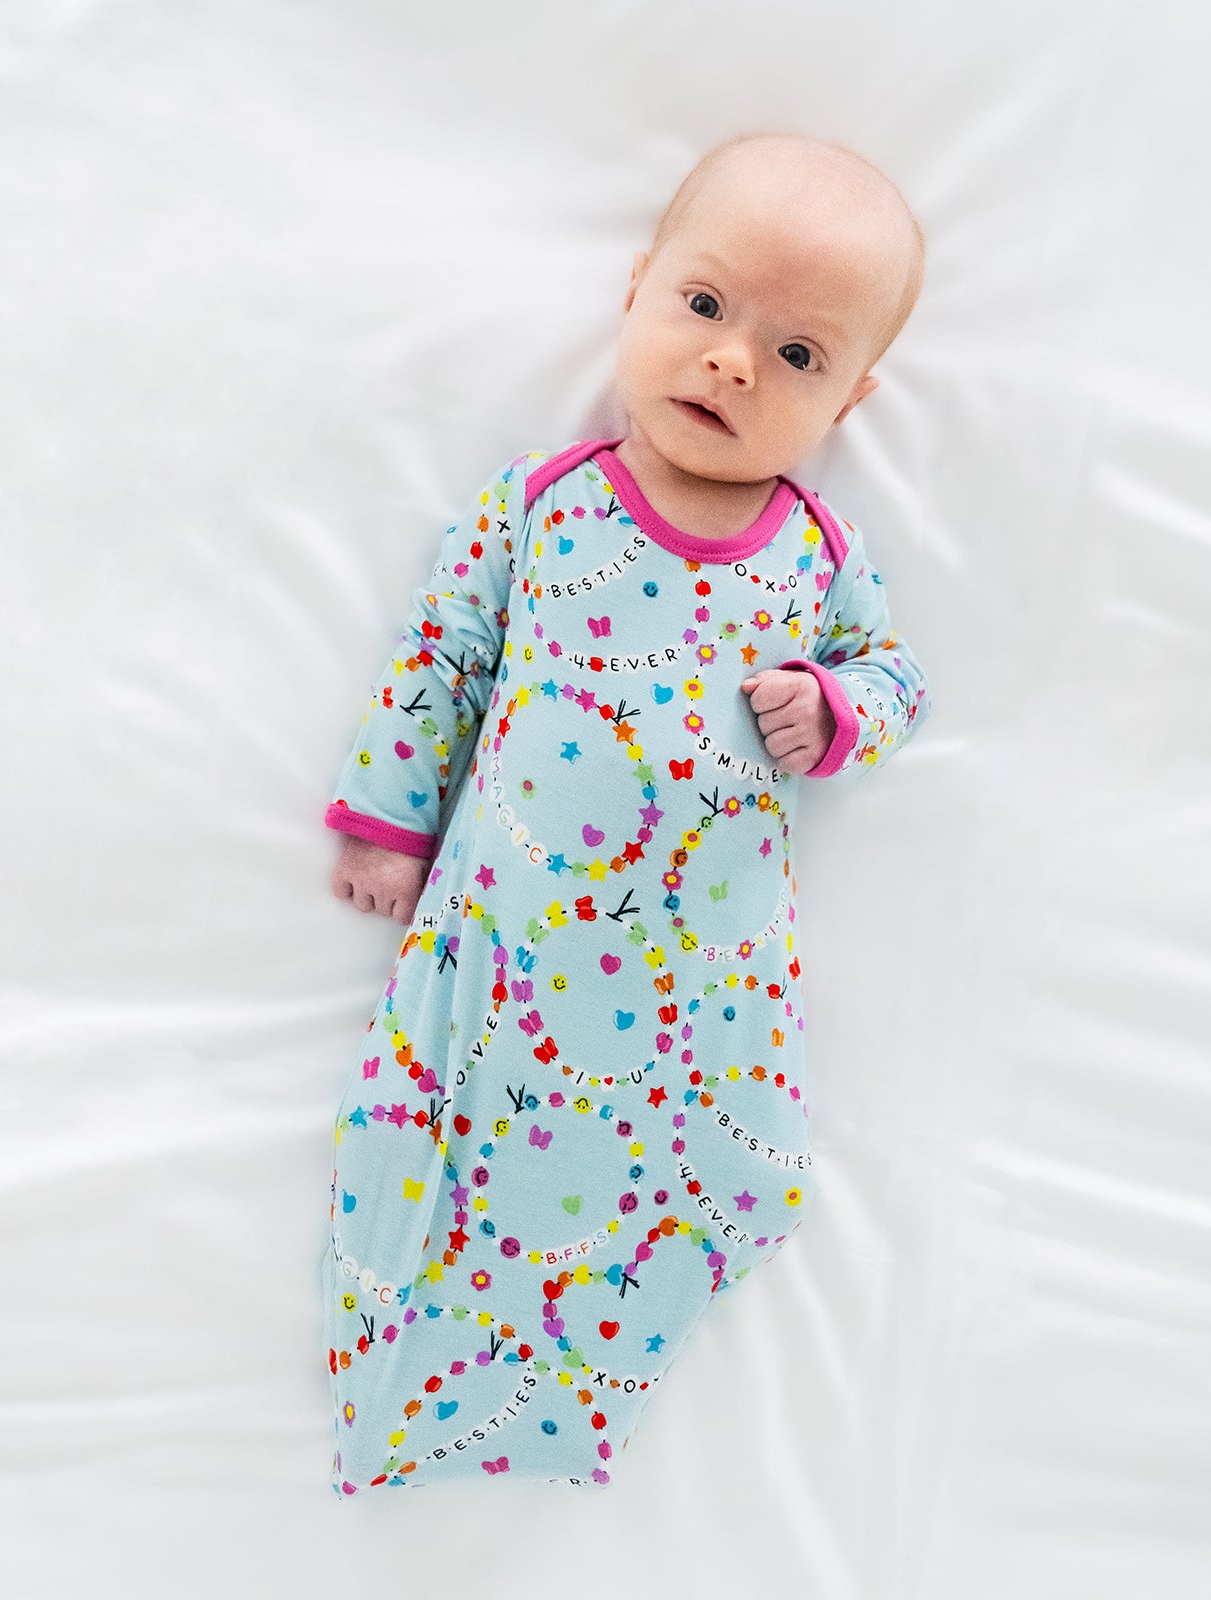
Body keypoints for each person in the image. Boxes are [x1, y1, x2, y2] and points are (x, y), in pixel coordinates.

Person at [319, 131, 932, 1495]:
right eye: (708, 309)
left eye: (796, 355)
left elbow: (897, 678)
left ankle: (600, 1348)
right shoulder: (544, 507)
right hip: (522, 938)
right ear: (641, 291)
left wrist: (837, 712)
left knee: (734, 1165)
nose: (730, 363)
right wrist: (390, 817)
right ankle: (437, 1396)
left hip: (706, 971)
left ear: (850, 400)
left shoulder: (817, 553)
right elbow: (444, 657)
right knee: (462, 1142)